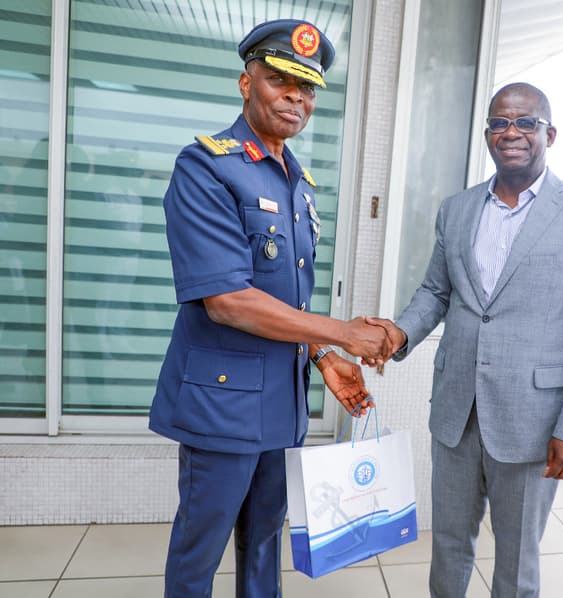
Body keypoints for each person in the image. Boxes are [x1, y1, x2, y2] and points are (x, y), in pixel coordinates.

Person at [149, 19, 390, 597]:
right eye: (281, 80)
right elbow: (228, 300)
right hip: (223, 402)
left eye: (306, 88)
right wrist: (345, 331)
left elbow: (285, 297)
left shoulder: (297, 183)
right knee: (200, 546)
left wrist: (324, 354)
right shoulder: (208, 167)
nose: (296, 98)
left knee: (264, 540)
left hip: (283, 401)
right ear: (246, 83)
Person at [370, 83, 563, 597]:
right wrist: (396, 335)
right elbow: (436, 292)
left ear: (549, 134)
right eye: (499, 122)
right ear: (487, 134)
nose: (511, 132)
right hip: (457, 412)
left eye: (525, 122)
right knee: (448, 546)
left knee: (517, 560)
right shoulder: (456, 209)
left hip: (534, 423)